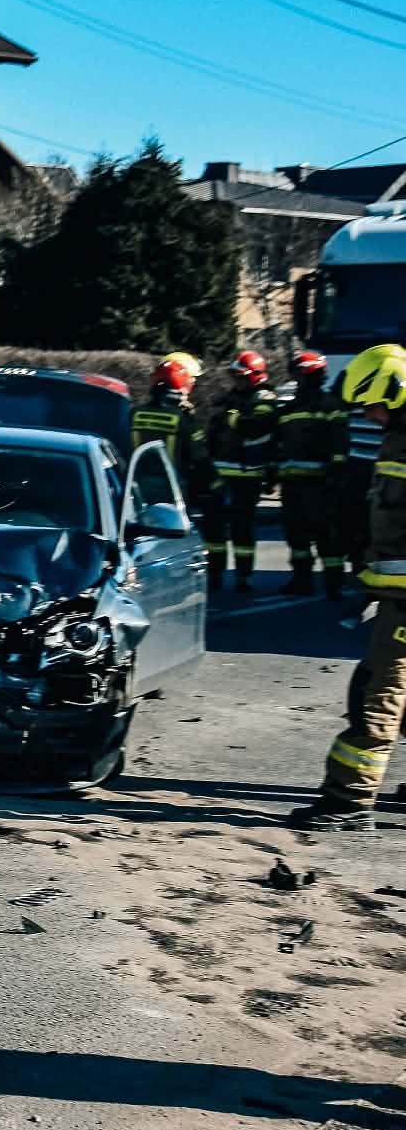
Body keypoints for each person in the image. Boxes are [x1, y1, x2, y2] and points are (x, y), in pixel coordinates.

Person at [288, 343, 406, 831]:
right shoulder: (398, 439)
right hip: (397, 597)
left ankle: (347, 803)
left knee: (378, 696)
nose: (369, 415)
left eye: (373, 404)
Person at [275, 349, 351, 598]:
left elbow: (340, 445)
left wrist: (336, 476)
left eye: (301, 375)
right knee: (296, 536)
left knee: (326, 535)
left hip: (321, 484)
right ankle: (302, 580)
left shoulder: (330, 406)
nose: (298, 380)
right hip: (292, 484)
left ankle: (334, 584)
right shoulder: (288, 409)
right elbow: (279, 445)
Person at [203, 350, 276, 592]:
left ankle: (243, 576)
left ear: (255, 376)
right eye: (235, 376)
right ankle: (214, 573)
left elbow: (258, 428)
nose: (237, 381)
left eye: (242, 377)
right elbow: (212, 431)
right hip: (220, 473)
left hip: (248, 475)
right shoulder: (227, 399)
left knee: (242, 528)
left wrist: (234, 420)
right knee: (213, 528)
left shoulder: (265, 399)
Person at [130, 352, 215, 503]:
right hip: (172, 493)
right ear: (183, 382)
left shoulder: (134, 413)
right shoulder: (183, 419)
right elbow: (199, 458)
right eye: (192, 380)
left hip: (135, 492)